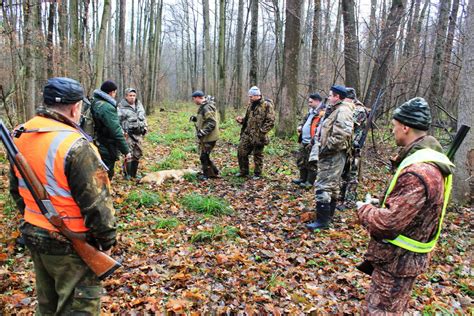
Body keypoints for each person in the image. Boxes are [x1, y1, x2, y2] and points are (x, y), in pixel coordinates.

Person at [8, 77, 117, 314]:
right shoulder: (76, 145)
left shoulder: (19, 135)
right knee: (79, 308)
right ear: (75, 107)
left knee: (47, 305)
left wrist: (37, 222)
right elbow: (98, 205)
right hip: (72, 243)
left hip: (35, 235)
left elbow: (16, 190)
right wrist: (106, 243)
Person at [357, 97, 454, 314]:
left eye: (393, 126)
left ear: (405, 127)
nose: (392, 131)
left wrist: (364, 209)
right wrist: (381, 204)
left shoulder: (419, 171)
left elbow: (388, 223)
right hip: (401, 260)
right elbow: (410, 208)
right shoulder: (428, 159)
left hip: (397, 261)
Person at [306, 85, 354, 230]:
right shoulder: (334, 109)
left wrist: (325, 149)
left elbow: (340, 136)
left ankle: (322, 221)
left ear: (337, 97)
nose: (328, 98)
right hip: (330, 153)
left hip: (333, 154)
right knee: (331, 186)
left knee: (323, 185)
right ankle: (327, 217)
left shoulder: (343, 111)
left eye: (330, 95)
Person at [91, 80, 131, 179]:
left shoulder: (95, 102)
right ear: (111, 92)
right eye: (115, 92)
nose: (115, 94)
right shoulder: (107, 107)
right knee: (106, 172)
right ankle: (104, 192)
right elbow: (116, 132)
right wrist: (126, 151)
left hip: (97, 141)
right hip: (105, 145)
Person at [236, 86, 275, 179]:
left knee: (257, 155)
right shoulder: (251, 105)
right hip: (247, 133)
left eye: (251, 96)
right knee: (241, 152)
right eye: (249, 96)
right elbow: (248, 119)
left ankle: (257, 173)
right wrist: (241, 120)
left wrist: (261, 132)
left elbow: (271, 121)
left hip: (259, 135)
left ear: (257, 95)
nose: (250, 98)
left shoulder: (266, 105)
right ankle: (244, 171)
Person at [340, 87, 369, 205]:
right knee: (343, 173)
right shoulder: (349, 108)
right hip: (346, 146)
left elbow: (349, 124)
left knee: (351, 175)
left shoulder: (359, 110)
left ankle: (349, 201)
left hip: (354, 148)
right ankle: (341, 197)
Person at [292, 93, 326, 188]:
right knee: (301, 160)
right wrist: (301, 126)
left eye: (311, 102)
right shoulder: (311, 111)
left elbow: (322, 127)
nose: (309, 104)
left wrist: (315, 139)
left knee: (311, 162)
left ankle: (309, 182)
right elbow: (305, 121)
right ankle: (302, 179)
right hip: (304, 140)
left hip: (313, 141)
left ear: (317, 101)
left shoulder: (322, 112)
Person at [118, 88, 148, 179]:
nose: (132, 97)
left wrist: (146, 126)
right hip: (128, 134)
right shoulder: (121, 106)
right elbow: (117, 121)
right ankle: (127, 174)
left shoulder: (139, 105)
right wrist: (122, 132)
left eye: (134, 95)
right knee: (128, 154)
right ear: (126, 96)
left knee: (137, 154)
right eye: (130, 95)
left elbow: (144, 117)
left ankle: (134, 174)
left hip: (139, 134)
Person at [189, 90, 220, 180]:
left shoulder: (207, 107)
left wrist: (203, 132)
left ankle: (208, 175)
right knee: (205, 155)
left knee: (204, 156)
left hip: (209, 137)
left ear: (198, 98)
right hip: (206, 137)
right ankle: (214, 171)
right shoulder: (203, 106)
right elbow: (204, 119)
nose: (194, 101)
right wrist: (195, 119)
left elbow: (211, 122)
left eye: (194, 99)